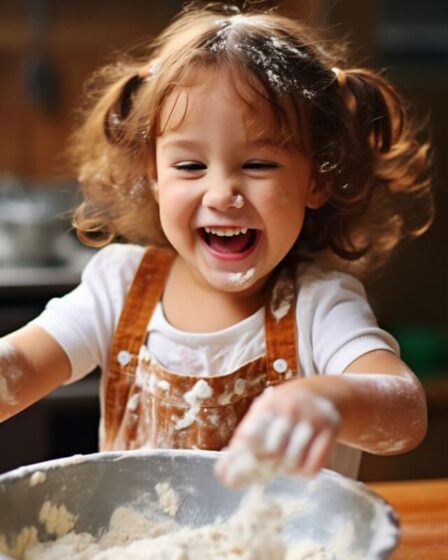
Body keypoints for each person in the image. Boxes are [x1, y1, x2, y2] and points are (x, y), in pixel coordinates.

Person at [0, 3, 433, 487]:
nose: (222, 193)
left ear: (316, 179)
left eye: (258, 165)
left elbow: (405, 412)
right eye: (189, 166)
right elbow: (18, 367)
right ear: (154, 176)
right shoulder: (118, 289)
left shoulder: (319, 308)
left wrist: (330, 401)